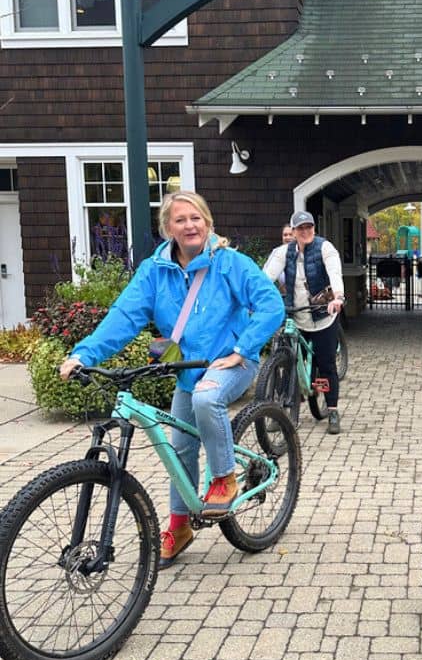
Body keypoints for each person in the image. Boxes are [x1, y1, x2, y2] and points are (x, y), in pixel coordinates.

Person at [60, 191, 285, 566]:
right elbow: (124, 317)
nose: (189, 225)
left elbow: (270, 305)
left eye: (196, 218)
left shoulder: (230, 264)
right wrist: (84, 354)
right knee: (180, 449)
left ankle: (225, 478)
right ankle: (180, 525)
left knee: (205, 399)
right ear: (168, 229)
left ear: (208, 224)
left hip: (230, 364)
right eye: (180, 220)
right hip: (186, 370)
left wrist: (243, 349)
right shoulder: (154, 270)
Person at [264, 210, 345, 435]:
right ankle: (280, 409)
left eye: (309, 227)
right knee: (286, 362)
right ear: (293, 231)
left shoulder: (324, 248)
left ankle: (333, 410)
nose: (305, 231)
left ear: (314, 228)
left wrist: (338, 297)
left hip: (322, 316)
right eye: (300, 228)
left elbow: (335, 273)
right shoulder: (283, 253)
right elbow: (265, 278)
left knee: (326, 364)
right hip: (296, 315)